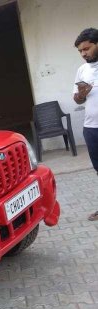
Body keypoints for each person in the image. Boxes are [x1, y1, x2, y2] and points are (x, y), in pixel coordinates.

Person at [73, 28, 98, 221]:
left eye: (87, 49)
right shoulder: (82, 70)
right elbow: (77, 99)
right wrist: (82, 94)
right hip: (91, 128)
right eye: (80, 51)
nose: (83, 54)